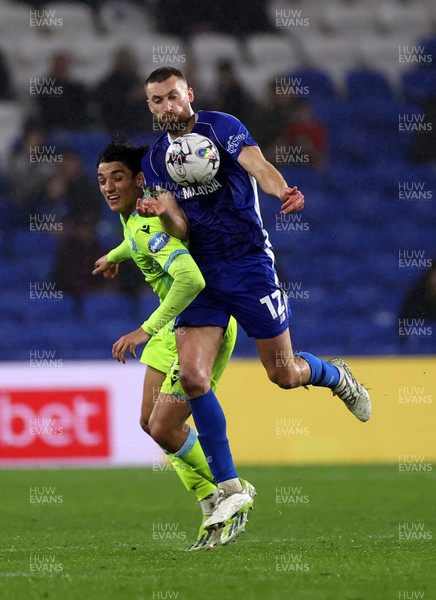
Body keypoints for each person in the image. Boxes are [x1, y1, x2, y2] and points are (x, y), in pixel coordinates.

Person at [138, 67, 372, 529]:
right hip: (200, 274)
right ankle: (229, 489)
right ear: (150, 107)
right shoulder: (153, 162)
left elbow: (258, 166)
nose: (168, 106)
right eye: (157, 101)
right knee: (192, 377)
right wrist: (163, 212)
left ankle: (334, 374)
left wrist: (284, 190)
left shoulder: (221, 126)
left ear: (189, 93)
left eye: (173, 96)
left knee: (283, 375)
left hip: (248, 264)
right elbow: (180, 229)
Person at [92, 139, 254, 550]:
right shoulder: (136, 218)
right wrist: (114, 256)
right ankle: (211, 500)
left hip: (199, 324)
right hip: (175, 325)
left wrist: (144, 329)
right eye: (102, 180)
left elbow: (191, 279)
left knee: (164, 425)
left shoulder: (148, 224)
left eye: (118, 178)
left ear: (139, 180)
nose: (109, 187)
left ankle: (231, 491)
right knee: (151, 424)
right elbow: (134, 241)